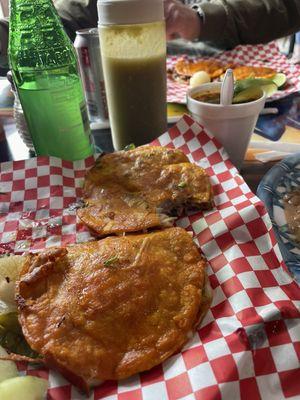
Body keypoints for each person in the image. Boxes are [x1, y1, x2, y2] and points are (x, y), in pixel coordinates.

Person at [1, 0, 300, 69]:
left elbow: (287, 8)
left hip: (248, 102)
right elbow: (64, 18)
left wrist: (200, 19)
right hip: (128, 105)